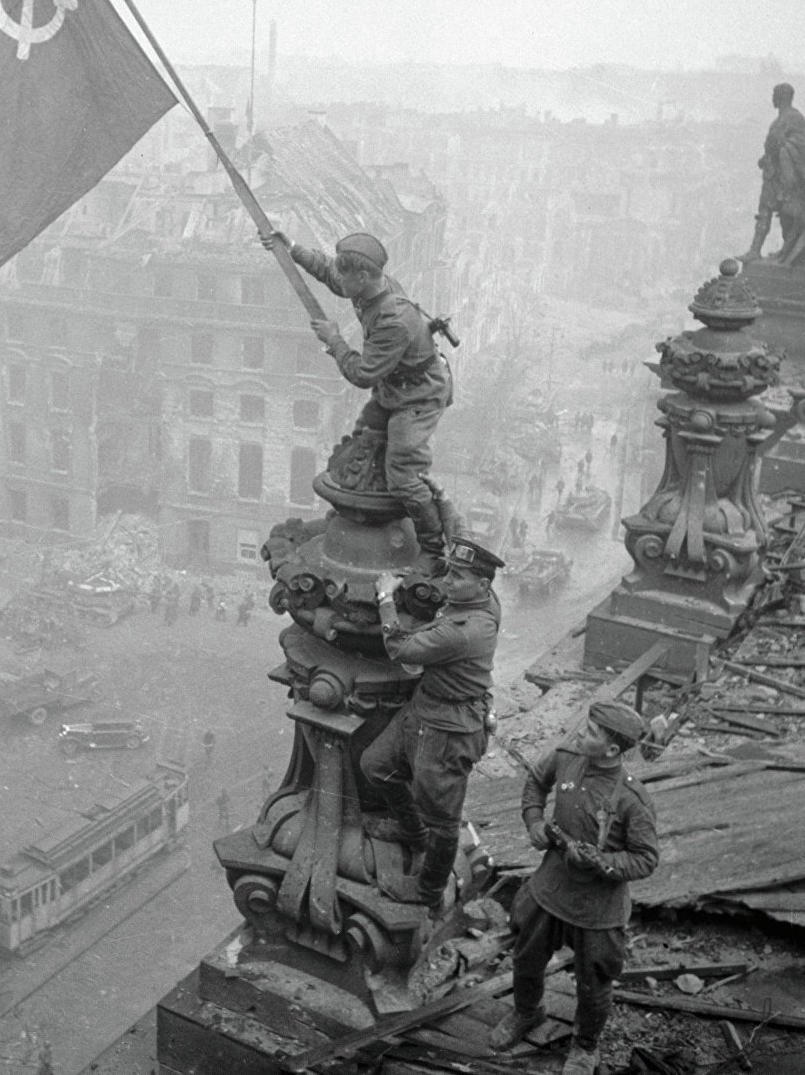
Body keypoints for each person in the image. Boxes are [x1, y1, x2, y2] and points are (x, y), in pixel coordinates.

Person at [261, 229, 453, 569]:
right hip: (396, 388)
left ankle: (433, 546)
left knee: (403, 474)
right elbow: (330, 273)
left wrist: (335, 340)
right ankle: (352, 509)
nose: (339, 279)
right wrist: (292, 248)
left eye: (345, 273)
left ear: (363, 276)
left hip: (419, 398)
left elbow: (363, 374)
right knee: (363, 440)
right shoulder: (370, 287)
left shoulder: (394, 319)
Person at [489, 703, 659, 1075]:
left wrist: (603, 862)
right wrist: (535, 821)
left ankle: (585, 1047)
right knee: (526, 957)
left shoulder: (632, 799)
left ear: (612, 749)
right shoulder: (567, 757)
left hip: (597, 905)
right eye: (586, 725)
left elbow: (646, 858)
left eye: (592, 732)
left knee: (594, 982)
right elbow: (536, 782)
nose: (582, 733)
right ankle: (527, 1012)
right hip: (552, 885)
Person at [359, 533, 503, 910]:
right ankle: (413, 831)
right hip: (426, 708)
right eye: (449, 573)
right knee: (376, 766)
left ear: (482, 585)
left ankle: (428, 891)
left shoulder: (464, 631)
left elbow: (400, 648)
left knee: (443, 821)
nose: (447, 583)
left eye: (457, 577)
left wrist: (385, 596)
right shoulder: (484, 600)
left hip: (448, 730)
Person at [742, 83, 805, 262]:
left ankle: (786, 253)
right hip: (773, 174)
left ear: (782, 97)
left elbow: (800, 144)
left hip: (784, 177)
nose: (772, 99)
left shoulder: (794, 118)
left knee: (787, 215)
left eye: (774, 95)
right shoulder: (782, 118)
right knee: (765, 211)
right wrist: (766, 157)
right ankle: (756, 250)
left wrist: (781, 149)